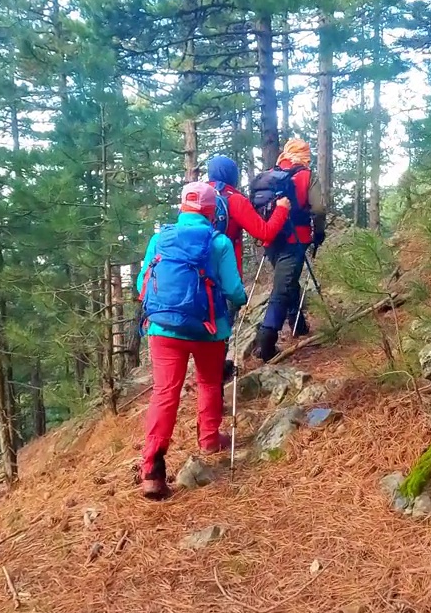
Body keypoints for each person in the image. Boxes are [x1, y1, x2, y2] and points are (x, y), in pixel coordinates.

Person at [135, 181, 248, 500]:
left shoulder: (159, 240)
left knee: (164, 393)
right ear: (213, 211)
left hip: (163, 328)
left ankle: (152, 471)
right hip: (207, 329)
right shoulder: (219, 243)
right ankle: (210, 439)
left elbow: (142, 283)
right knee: (209, 382)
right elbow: (234, 290)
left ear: (182, 208)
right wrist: (240, 301)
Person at [251, 138, 326, 361]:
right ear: (305, 154)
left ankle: (298, 323)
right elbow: (319, 209)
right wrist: (318, 233)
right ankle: (267, 338)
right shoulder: (306, 175)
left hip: (271, 237)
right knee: (282, 287)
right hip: (296, 238)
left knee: (287, 280)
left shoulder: (269, 174)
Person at [205, 154, 291, 276]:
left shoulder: (197, 197)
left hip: (194, 273)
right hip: (225, 274)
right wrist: (282, 208)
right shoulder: (234, 199)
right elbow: (265, 233)